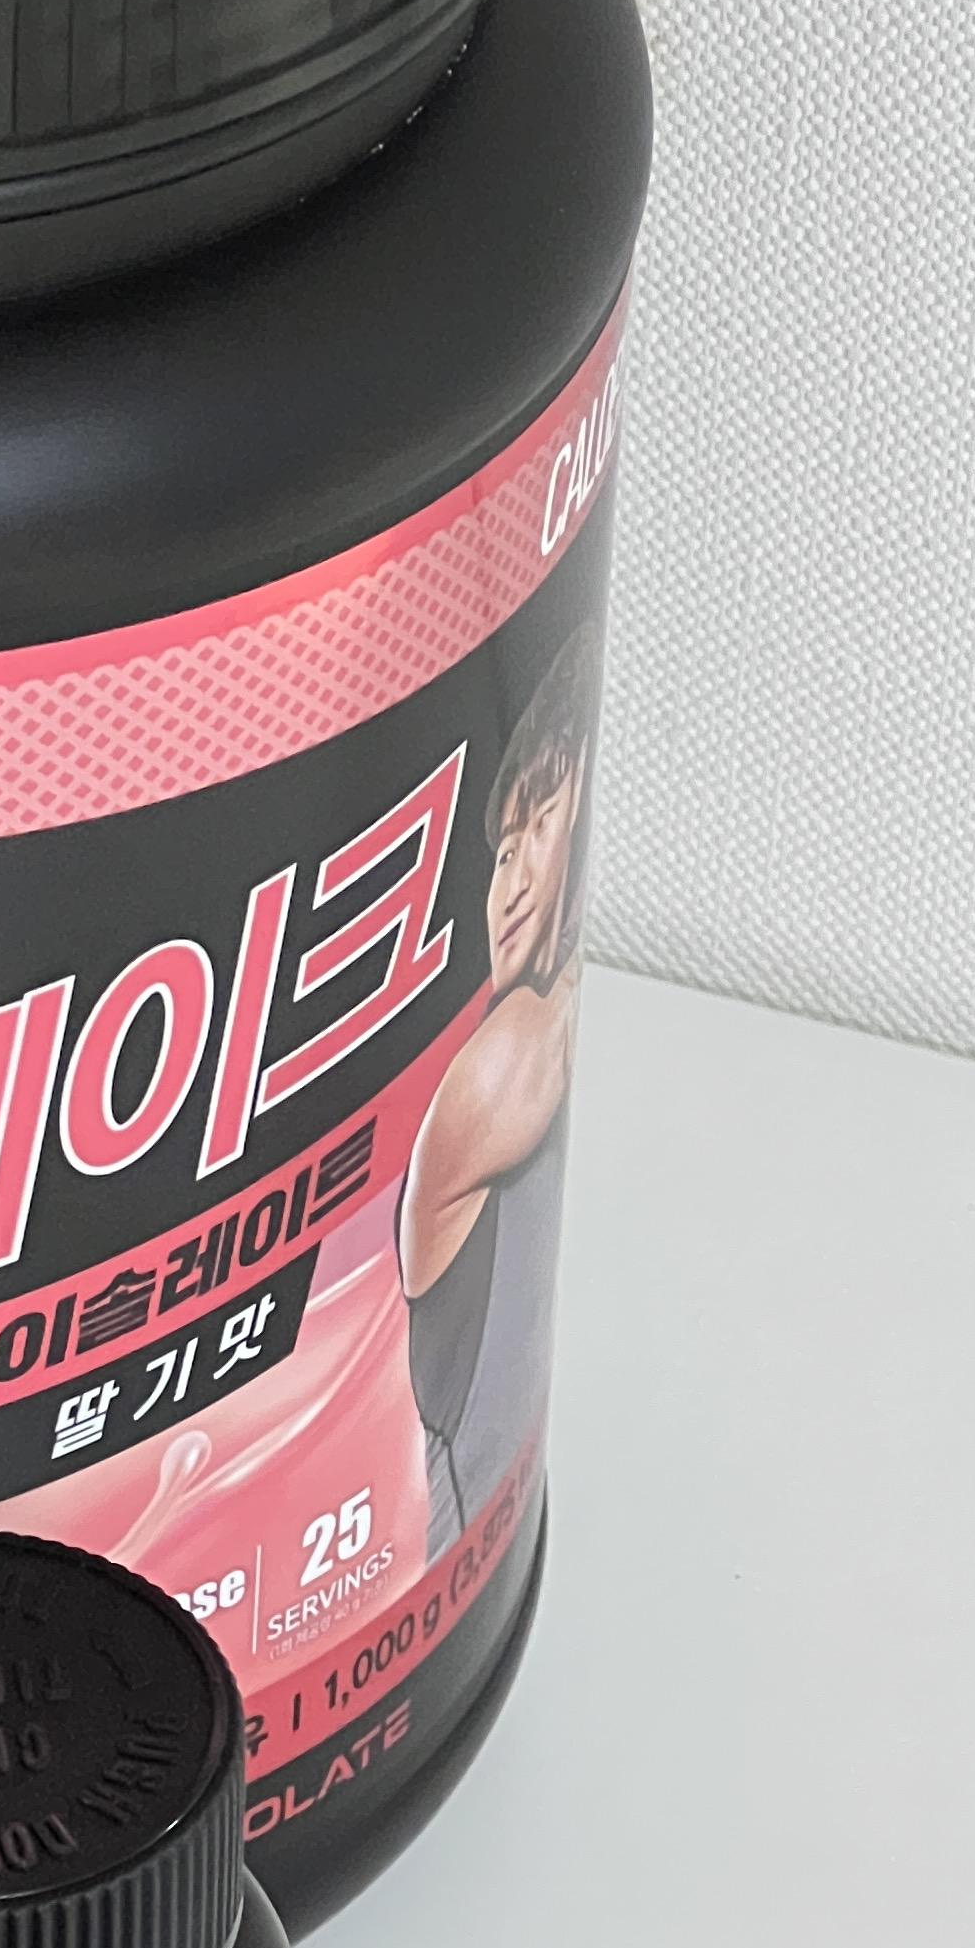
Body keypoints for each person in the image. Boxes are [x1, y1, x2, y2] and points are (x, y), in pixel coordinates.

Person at [400, 618, 597, 1546]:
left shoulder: (533, 1027)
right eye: (501, 852)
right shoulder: (497, 1060)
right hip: (460, 1542)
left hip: (478, 1547)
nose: (510, 883)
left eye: (538, 826)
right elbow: (549, 1029)